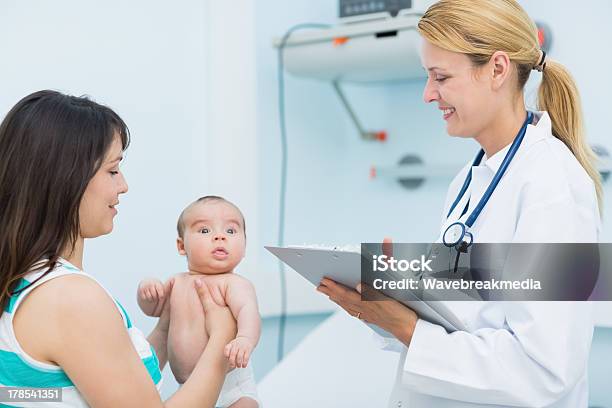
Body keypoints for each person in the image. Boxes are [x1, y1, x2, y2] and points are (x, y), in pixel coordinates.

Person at [317, 0, 601, 407]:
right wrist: (395, 298)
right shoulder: (469, 181)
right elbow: (467, 318)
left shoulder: (552, 185)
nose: (428, 95)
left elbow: (545, 371)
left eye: (441, 77)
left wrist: (409, 329)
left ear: (498, 69)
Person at [0, 90, 237, 407]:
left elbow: (77, 388)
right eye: (112, 170)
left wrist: (166, 327)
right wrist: (222, 341)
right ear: (66, 178)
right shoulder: (71, 298)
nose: (123, 185)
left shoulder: (24, 280)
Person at [137, 196, 260, 408]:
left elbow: (249, 313)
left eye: (230, 231)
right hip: (191, 387)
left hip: (232, 389)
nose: (220, 237)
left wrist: (244, 339)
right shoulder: (177, 282)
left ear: (245, 245)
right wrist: (147, 291)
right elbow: (155, 310)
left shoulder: (234, 284)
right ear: (181, 245)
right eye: (205, 231)